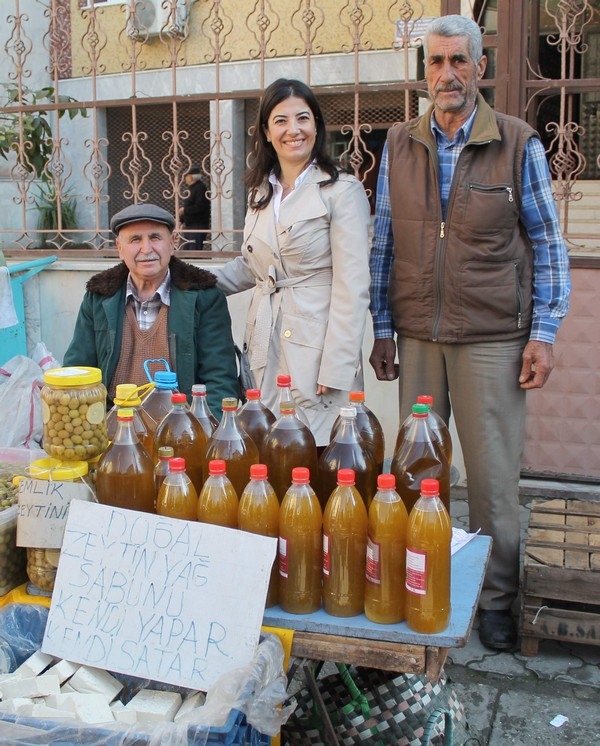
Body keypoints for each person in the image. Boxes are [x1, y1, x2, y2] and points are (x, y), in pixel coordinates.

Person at [369, 15, 571, 650]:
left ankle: (495, 601)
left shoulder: (517, 143)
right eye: (435, 62)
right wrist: (381, 326)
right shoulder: (399, 144)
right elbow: (384, 245)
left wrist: (543, 333)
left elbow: (548, 245)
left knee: (490, 481)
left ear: (480, 67)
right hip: (418, 336)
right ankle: (421, 585)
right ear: (423, 70)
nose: (447, 74)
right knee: (417, 473)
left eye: (459, 61)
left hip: (491, 337)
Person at [214, 78, 371, 447]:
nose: (293, 130)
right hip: (264, 341)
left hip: (316, 352)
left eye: (302, 118)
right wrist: (182, 280)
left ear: (316, 124)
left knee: (320, 456)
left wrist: (337, 366)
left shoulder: (340, 191)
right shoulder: (261, 193)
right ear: (267, 132)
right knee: (270, 450)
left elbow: (353, 288)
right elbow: (254, 266)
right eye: (281, 120)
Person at [63, 203, 239, 417]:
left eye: (155, 237)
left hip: (181, 426)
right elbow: (78, 369)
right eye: (135, 240)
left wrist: (205, 432)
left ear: (172, 243)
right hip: (113, 423)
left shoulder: (204, 297)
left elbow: (219, 378)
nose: (146, 249)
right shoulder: (99, 298)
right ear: (120, 248)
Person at [179, 166, 211, 250]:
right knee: (187, 250)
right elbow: (189, 205)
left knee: (193, 251)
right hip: (190, 224)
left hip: (197, 225)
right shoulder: (192, 188)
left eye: (186, 176)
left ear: (191, 177)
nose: (185, 179)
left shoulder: (200, 188)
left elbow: (200, 207)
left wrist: (184, 210)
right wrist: (181, 219)